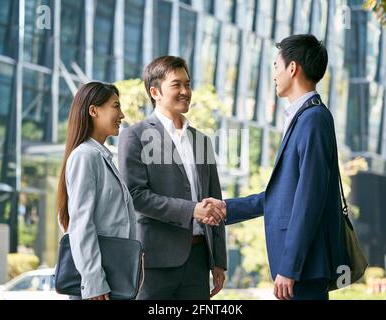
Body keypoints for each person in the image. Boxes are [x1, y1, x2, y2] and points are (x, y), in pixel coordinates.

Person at [204, 34, 349, 300]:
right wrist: (229, 208)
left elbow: (309, 199)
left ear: (292, 68)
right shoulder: (303, 117)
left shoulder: (313, 119)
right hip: (302, 269)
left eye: (275, 66)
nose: (273, 74)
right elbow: (284, 195)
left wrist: (290, 267)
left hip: (305, 269)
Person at [118, 56, 227, 300]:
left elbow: (215, 202)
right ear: (155, 91)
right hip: (154, 263)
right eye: (176, 85)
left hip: (198, 262)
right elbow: (135, 196)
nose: (185, 91)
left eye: (187, 84)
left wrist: (218, 261)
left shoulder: (202, 141)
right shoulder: (134, 136)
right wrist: (192, 210)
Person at [57, 82, 137, 300]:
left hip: (111, 277)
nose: (121, 114)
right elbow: (81, 223)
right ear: (93, 110)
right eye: (116, 106)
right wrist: (93, 280)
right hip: (97, 286)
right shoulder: (85, 156)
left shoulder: (102, 157)